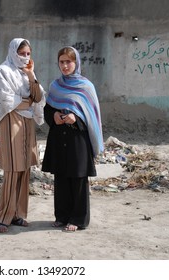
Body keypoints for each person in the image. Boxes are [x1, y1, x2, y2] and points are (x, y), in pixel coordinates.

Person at [0, 38, 46, 233]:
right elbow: (6, 100)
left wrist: (30, 75)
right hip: (10, 121)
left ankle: (19, 214)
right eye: (22, 53)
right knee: (12, 169)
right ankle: (3, 216)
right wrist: (26, 101)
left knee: (25, 169)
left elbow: (37, 97)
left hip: (27, 123)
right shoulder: (3, 71)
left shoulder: (28, 72)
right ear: (13, 53)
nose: (25, 57)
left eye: (28, 53)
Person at [41, 46, 104, 232]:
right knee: (60, 178)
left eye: (69, 61)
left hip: (78, 139)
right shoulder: (55, 85)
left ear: (76, 63)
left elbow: (92, 117)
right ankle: (61, 216)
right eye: (62, 62)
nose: (65, 65)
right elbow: (47, 109)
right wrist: (54, 117)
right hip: (59, 137)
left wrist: (76, 118)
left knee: (78, 178)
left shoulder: (86, 87)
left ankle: (78, 219)